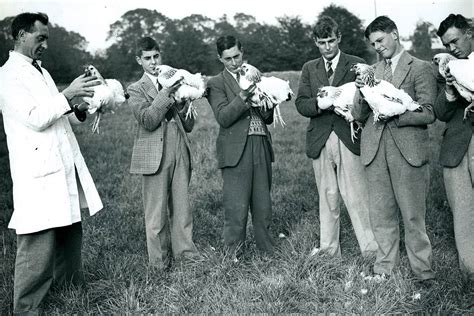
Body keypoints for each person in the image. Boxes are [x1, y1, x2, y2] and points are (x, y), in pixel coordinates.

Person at [0, 12, 103, 314]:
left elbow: (56, 111)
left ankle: (71, 291)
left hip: (61, 163)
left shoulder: (41, 72)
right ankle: (27, 307)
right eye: (39, 37)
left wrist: (78, 105)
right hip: (37, 171)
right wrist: (67, 94)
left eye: (46, 37)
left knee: (70, 230)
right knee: (38, 239)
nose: (45, 43)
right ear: (20, 36)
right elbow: (35, 117)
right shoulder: (6, 75)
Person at [351, 16, 437, 282]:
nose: (377, 46)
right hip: (375, 149)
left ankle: (423, 271)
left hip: (408, 151)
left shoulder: (420, 68)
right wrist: (359, 90)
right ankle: (384, 267)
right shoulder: (371, 71)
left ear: (395, 34)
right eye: (373, 43)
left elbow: (429, 112)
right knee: (381, 213)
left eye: (381, 40)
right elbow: (357, 114)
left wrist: (396, 113)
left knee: (413, 215)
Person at [295, 16, 377, 257]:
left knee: (357, 195)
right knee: (327, 196)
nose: (327, 46)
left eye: (331, 40)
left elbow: (367, 99)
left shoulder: (356, 63)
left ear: (339, 38)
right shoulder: (310, 68)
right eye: (322, 42)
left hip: (348, 136)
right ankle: (329, 251)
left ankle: (371, 250)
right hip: (320, 138)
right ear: (315, 43)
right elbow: (301, 103)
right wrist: (320, 104)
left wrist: (346, 103)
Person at [127, 36, 200, 270]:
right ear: (139, 60)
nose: (153, 62)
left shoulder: (175, 79)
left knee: (182, 207)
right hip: (153, 152)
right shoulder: (135, 89)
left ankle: (186, 255)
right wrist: (167, 92)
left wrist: (184, 102)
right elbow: (148, 120)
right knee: (156, 211)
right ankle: (159, 263)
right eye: (147, 58)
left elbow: (190, 125)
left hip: (178, 144)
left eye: (156, 56)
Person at [206, 35, 275, 257]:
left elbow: (267, 117)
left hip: (260, 143)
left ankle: (267, 249)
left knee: (263, 202)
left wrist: (269, 99)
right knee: (236, 205)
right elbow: (224, 117)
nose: (234, 62)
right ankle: (233, 252)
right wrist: (245, 95)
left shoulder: (255, 74)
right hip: (235, 150)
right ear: (220, 58)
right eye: (228, 59)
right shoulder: (216, 83)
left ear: (242, 51)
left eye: (237, 56)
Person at [434, 14, 473, 285]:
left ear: (469, 32)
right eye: (447, 45)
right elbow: (440, 112)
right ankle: (470, 273)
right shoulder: (449, 67)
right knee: (462, 212)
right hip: (457, 147)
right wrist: (449, 89)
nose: (452, 49)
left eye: (455, 41)